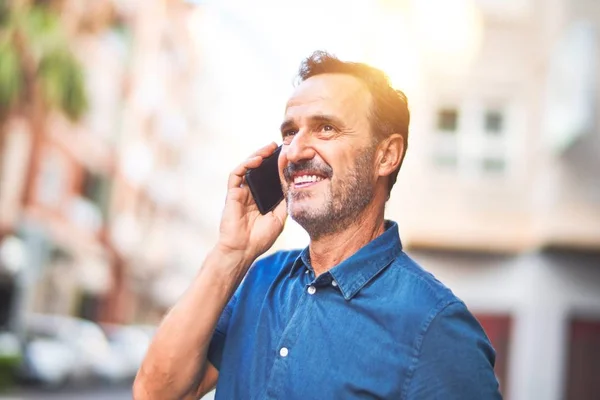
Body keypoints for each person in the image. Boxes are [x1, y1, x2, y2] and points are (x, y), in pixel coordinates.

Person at [133, 51, 502, 400]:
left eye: (325, 128)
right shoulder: (260, 280)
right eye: (290, 132)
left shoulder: (434, 326)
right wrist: (232, 253)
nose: (294, 152)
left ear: (386, 155)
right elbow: (156, 393)